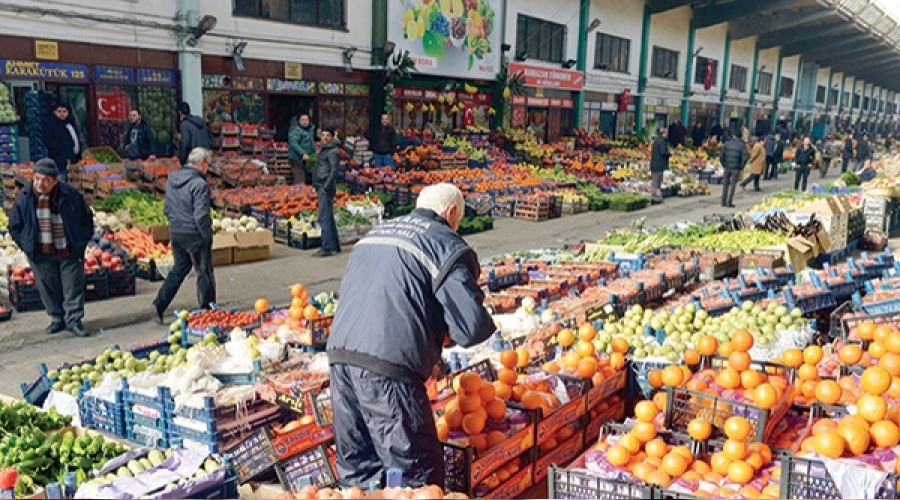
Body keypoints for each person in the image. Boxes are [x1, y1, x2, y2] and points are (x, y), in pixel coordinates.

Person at [326, 183, 495, 488]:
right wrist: (444, 334)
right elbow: (471, 326)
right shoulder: (443, 241)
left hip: (340, 359)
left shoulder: (375, 234)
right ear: (452, 212)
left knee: (359, 473)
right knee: (415, 474)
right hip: (389, 369)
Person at [9, 159, 93, 337]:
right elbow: (15, 226)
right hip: (40, 251)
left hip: (68, 249)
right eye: (37, 178)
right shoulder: (24, 198)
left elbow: (87, 219)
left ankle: (74, 320)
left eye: (45, 180)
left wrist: (80, 243)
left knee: (73, 287)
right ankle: (56, 318)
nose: (40, 183)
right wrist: (26, 245)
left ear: (55, 180)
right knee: (48, 287)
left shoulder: (70, 195)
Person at [151, 148, 216, 323]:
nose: (208, 169)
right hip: (194, 232)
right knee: (204, 272)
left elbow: (167, 207)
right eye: (207, 164)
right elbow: (201, 215)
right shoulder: (200, 185)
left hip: (176, 231)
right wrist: (206, 235)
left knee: (179, 269)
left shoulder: (172, 180)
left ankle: (159, 304)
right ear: (201, 163)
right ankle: (207, 310)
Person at [312, 127, 342, 257]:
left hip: (325, 186)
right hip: (321, 184)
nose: (324, 137)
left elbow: (334, 170)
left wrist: (325, 185)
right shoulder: (324, 150)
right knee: (328, 216)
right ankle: (334, 245)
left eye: (327, 135)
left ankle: (326, 247)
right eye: (323, 135)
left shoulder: (332, 151)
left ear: (332, 137)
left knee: (323, 217)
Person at [42, 103, 82, 182]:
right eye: (59, 111)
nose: (62, 114)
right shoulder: (51, 124)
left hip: (72, 160)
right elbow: (47, 140)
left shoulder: (70, 124)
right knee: (61, 180)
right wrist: (58, 150)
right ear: (55, 112)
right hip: (59, 160)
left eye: (64, 111)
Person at [176, 102, 211, 166]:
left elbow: (185, 144)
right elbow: (209, 137)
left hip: (195, 158)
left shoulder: (184, 125)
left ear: (179, 113)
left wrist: (182, 161)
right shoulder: (200, 121)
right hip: (205, 156)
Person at [720, 130, 748, 208]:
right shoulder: (742, 145)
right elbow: (745, 158)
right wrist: (741, 167)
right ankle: (729, 202)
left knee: (725, 184)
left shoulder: (727, 143)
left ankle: (723, 201)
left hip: (727, 167)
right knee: (733, 185)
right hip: (736, 168)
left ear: (733, 135)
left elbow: (721, 156)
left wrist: (724, 164)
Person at [288, 113, 316, 184]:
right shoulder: (296, 130)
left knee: (308, 177)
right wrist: (302, 153)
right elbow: (293, 143)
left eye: (306, 120)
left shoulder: (309, 129)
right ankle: (297, 193)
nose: (304, 121)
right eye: (302, 120)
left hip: (307, 158)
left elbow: (310, 142)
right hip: (297, 158)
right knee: (300, 177)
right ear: (299, 121)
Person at [650, 128, 670, 192]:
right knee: (657, 182)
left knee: (655, 181)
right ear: (664, 133)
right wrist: (669, 153)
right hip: (659, 164)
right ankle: (655, 196)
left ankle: (656, 195)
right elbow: (663, 152)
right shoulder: (662, 141)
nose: (667, 134)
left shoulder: (656, 140)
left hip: (655, 164)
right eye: (666, 132)